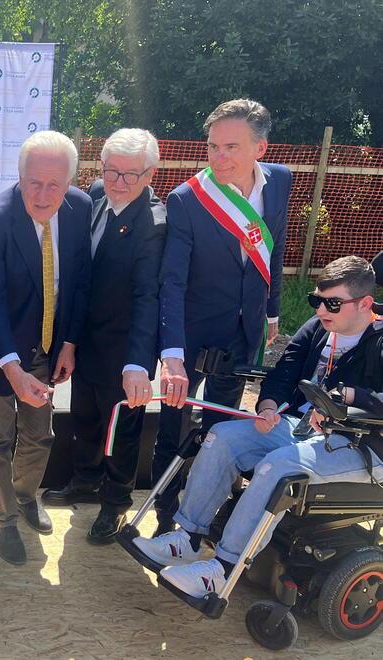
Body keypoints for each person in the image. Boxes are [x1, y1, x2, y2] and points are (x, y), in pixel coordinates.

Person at [133, 256, 383, 597]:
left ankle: (223, 569)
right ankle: (187, 538)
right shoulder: (318, 327)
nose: (322, 310)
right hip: (301, 427)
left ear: (364, 303)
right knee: (222, 437)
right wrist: (267, 406)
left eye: (333, 304)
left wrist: (348, 399)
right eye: (316, 300)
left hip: (360, 443)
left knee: (278, 466)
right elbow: (284, 371)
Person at [153, 98, 292, 536]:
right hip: (192, 332)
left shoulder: (280, 182)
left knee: (222, 432)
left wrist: (271, 311)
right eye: (213, 146)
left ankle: (203, 518)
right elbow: (172, 282)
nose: (219, 157)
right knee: (173, 429)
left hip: (243, 331)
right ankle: (164, 515)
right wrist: (172, 356)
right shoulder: (188, 199)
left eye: (231, 147)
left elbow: (274, 249)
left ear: (260, 149)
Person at [0, 130, 91, 565]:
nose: (42, 196)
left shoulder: (80, 208)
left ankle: (24, 496)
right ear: (19, 176)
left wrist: (69, 342)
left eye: (53, 185)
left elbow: (79, 281)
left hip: (49, 347)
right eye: (33, 183)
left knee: (40, 436)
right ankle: (4, 520)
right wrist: (11, 367)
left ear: (70, 182)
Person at [42, 128, 166, 544]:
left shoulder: (153, 224)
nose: (118, 182)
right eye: (112, 171)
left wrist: (138, 365)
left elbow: (148, 298)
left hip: (124, 349)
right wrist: (71, 341)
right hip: (87, 341)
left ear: (150, 174)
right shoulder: (95, 195)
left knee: (121, 429)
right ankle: (85, 479)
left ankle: (115, 501)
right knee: (85, 417)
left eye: (131, 175)